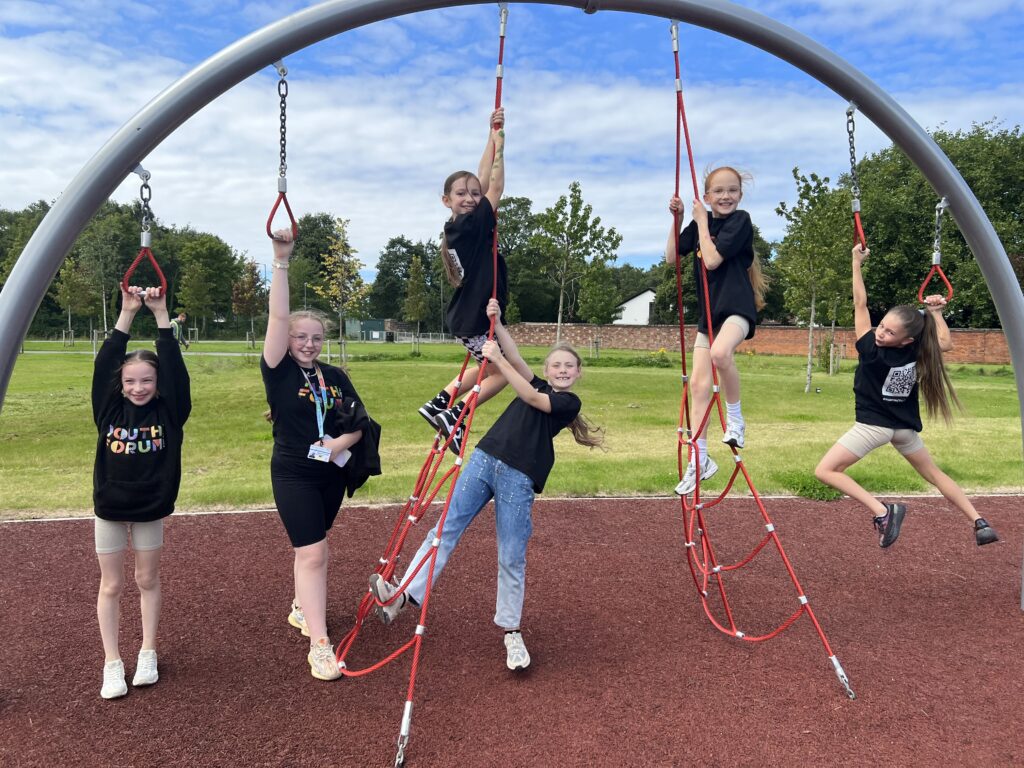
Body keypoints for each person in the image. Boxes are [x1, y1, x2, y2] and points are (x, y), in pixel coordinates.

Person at [370, 299, 603, 671]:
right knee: (443, 530)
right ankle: (402, 595)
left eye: (569, 366)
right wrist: (497, 321)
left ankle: (511, 631)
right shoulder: (533, 376)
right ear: (546, 368)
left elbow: (528, 395)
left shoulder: (567, 402)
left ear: (577, 373)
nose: (562, 370)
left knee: (511, 553)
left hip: (519, 477)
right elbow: (511, 353)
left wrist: (501, 361)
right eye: (556, 365)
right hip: (483, 459)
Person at [814, 244, 999, 548]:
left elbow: (860, 304)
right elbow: (945, 342)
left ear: (906, 340)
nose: (880, 333)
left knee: (825, 470)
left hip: (874, 426)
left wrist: (855, 263)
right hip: (904, 429)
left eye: (888, 332)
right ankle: (979, 522)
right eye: (882, 325)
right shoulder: (917, 349)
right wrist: (937, 313)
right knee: (934, 474)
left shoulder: (870, 351)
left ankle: (883, 512)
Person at [262, 228, 381, 681]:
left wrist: (338, 445)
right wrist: (281, 260)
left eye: (315, 337)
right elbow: (277, 317)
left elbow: (360, 423)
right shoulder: (277, 371)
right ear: (288, 341)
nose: (308, 344)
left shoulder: (334, 375)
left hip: (331, 471)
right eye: (300, 337)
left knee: (313, 549)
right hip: (293, 472)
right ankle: (320, 644)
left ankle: (300, 606)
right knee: (314, 553)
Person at [92, 284, 192, 700]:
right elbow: (104, 364)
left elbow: (174, 370)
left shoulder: (169, 411)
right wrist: (127, 314)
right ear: (120, 384)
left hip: (151, 505)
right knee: (111, 585)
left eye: (146, 380)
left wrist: (162, 315)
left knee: (147, 578)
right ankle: (112, 661)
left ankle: (147, 650)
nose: (138, 387)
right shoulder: (108, 409)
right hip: (111, 508)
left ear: (157, 382)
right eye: (130, 381)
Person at [666, 166, 767, 495]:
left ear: (740, 194)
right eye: (719, 192)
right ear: (707, 197)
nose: (726, 196)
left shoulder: (740, 221)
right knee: (698, 384)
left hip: (737, 310)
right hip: (709, 318)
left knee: (722, 354)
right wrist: (680, 220)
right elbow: (671, 258)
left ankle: (736, 419)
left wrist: (701, 221)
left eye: (732, 191)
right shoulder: (699, 225)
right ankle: (702, 459)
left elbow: (711, 260)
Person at [417, 107, 509, 455]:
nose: (471, 197)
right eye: (462, 194)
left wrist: (490, 133)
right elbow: (495, 184)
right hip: (474, 318)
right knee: (503, 374)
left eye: (473, 193)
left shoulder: (459, 227)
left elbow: (482, 180)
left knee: (485, 369)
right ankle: (455, 414)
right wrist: (501, 141)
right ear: (446, 200)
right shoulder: (470, 225)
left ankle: (438, 402)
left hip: (468, 315)